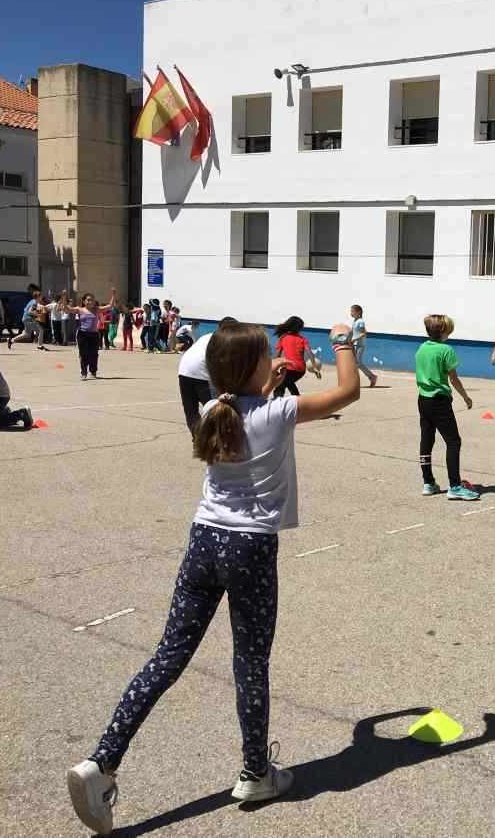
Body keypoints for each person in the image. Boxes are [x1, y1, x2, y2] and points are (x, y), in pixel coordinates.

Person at [66, 321, 361, 835]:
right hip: (250, 547)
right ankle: (254, 773)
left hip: (204, 540)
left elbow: (242, 403)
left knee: (168, 655)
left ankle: (102, 761)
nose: (274, 361)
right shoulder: (279, 412)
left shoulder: (211, 412)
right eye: (267, 356)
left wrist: (262, 383)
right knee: (250, 660)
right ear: (250, 369)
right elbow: (348, 391)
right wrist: (343, 342)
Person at [416, 314, 478, 501]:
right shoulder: (446, 350)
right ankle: (455, 486)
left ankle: (428, 483)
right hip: (440, 400)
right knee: (453, 442)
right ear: (443, 331)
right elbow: (453, 379)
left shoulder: (422, 348)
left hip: (423, 399)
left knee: (427, 440)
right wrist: (466, 397)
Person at [177, 317, 237, 435]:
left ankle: (198, 440)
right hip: (202, 374)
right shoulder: (225, 340)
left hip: (183, 371)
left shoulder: (207, 336)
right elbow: (222, 364)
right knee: (215, 409)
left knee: (191, 411)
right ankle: (215, 442)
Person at [75, 291, 118, 380]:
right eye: (88, 300)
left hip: (94, 334)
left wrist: (113, 295)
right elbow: (67, 309)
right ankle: (84, 372)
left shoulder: (97, 309)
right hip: (82, 334)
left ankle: (93, 371)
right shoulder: (80, 309)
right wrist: (63, 299)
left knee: (94, 354)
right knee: (83, 354)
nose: (90, 302)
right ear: (84, 301)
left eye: (92, 300)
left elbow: (110, 306)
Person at [272, 316, 310, 397]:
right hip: (301, 370)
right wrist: (315, 368)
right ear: (299, 328)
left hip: (289, 369)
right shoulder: (303, 339)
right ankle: (298, 398)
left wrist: (272, 366)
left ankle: (277, 402)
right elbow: (310, 353)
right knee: (289, 382)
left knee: (280, 386)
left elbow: (277, 355)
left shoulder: (283, 338)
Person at [349, 304, 378, 388]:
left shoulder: (360, 322)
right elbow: (353, 332)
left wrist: (354, 339)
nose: (351, 313)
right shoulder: (355, 321)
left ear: (358, 312)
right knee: (354, 363)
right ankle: (370, 377)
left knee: (357, 363)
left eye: (352, 311)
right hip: (354, 345)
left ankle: (372, 377)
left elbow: (363, 333)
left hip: (360, 345)